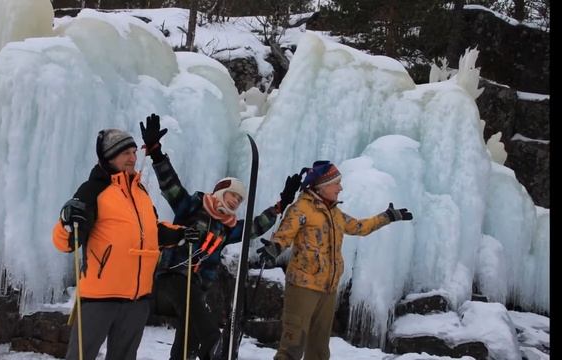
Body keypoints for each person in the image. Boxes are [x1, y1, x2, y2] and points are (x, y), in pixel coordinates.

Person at [139, 113, 302, 360]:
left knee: (188, 336)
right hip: (173, 277)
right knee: (206, 327)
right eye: (232, 195)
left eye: (239, 200)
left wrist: (279, 207)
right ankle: (214, 348)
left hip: (197, 285)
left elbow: (255, 228)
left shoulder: (227, 228)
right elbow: (170, 185)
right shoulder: (192, 205)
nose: (235, 201)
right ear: (220, 192)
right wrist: (156, 153)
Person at [52, 128, 198, 360]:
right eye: (125, 153)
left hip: (137, 300)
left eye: (133, 152)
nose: (132, 158)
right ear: (109, 157)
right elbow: (67, 242)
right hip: (99, 298)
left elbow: (152, 230)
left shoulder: (140, 191)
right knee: (81, 356)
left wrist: (180, 235)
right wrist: (66, 222)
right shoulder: (93, 190)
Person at [256, 160, 413, 360]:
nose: (340, 188)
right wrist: (274, 248)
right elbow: (284, 235)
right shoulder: (301, 209)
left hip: (328, 290)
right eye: (336, 183)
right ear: (322, 186)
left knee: (319, 350)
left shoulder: (334, 213)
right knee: (292, 347)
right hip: (302, 287)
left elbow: (358, 227)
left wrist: (387, 217)